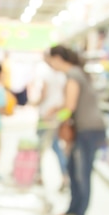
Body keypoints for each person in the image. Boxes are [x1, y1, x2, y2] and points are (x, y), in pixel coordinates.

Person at [47, 45, 106, 215]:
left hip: (87, 130)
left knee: (81, 172)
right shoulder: (77, 73)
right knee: (74, 168)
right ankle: (72, 211)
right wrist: (57, 109)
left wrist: (56, 118)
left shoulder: (73, 75)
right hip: (88, 128)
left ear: (57, 58)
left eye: (50, 60)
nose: (49, 64)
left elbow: (70, 107)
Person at [36, 53, 68, 186]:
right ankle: (65, 176)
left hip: (45, 115)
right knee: (56, 146)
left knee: (39, 145)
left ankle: (38, 175)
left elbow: (43, 95)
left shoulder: (47, 75)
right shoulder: (64, 76)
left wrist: (34, 103)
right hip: (57, 115)